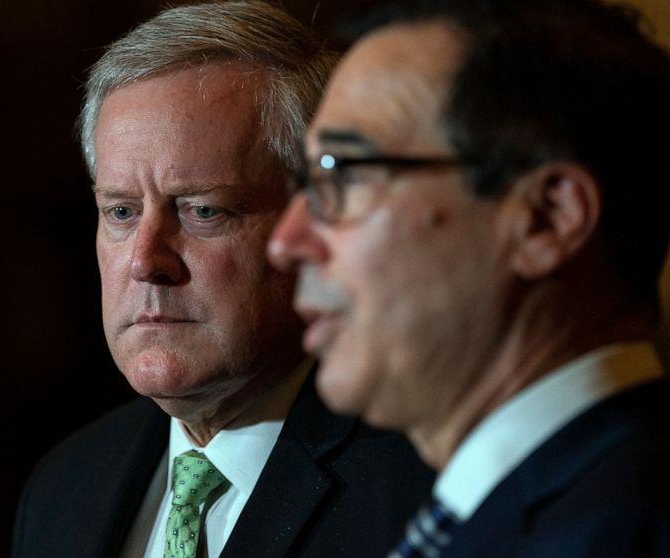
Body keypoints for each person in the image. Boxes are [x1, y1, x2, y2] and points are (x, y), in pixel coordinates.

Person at [12, 2, 433, 557]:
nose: (145, 261)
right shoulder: (65, 486)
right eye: (121, 212)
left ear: (314, 221)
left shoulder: (419, 489)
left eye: (203, 211)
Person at [268, 0, 670, 556]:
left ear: (546, 218)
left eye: (345, 175)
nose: (285, 242)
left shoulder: (617, 533)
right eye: (307, 183)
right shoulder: (504, 512)